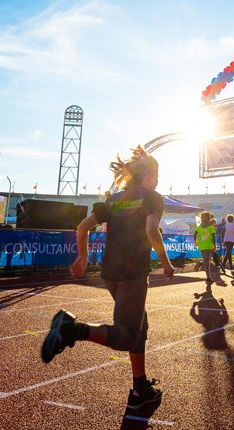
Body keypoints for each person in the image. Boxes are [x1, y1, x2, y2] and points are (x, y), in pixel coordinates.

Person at [41, 146, 174, 410]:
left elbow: (82, 227)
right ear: (149, 174)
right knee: (126, 335)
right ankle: (71, 329)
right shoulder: (153, 197)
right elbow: (151, 230)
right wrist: (166, 262)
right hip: (133, 272)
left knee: (139, 327)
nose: (158, 178)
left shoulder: (115, 199)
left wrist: (82, 257)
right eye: (156, 173)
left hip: (110, 272)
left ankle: (140, 388)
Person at [194, 212, 216, 286]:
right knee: (207, 262)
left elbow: (194, 234)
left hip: (201, 246)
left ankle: (208, 278)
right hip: (208, 246)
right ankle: (200, 264)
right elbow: (213, 237)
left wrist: (195, 241)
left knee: (207, 261)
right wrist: (215, 245)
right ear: (209, 219)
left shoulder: (199, 227)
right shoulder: (211, 227)